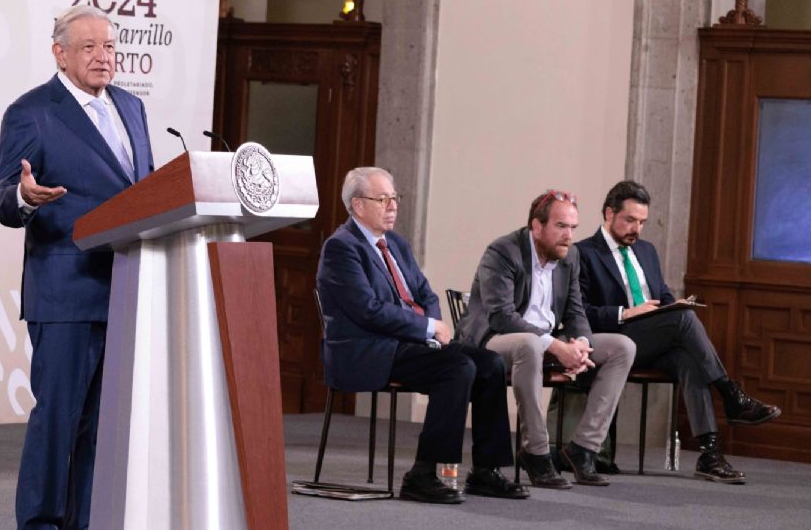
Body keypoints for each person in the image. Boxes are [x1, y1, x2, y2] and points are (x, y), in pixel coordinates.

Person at [0, 5, 154, 529]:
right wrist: (25, 195)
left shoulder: (132, 106)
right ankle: (39, 524)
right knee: (58, 424)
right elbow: (1, 201)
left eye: (109, 46)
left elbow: (143, 191)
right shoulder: (32, 111)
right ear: (60, 53)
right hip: (66, 291)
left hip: (129, 289)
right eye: (89, 48)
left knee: (102, 430)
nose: (103, 57)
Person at [316, 167, 527, 504]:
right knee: (457, 368)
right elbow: (367, 310)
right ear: (357, 205)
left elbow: (425, 294)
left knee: (489, 364)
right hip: (370, 348)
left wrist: (433, 329)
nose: (392, 206)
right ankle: (422, 474)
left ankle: (486, 471)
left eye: (394, 198)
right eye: (382, 199)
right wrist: (427, 328)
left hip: (409, 342)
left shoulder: (396, 243)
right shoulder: (342, 248)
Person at [575, 180, 781, 484]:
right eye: (630, 220)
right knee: (684, 320)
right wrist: (625, 312)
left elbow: (664, 298)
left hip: (653, 338)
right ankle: (730, 394)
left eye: (642, 222)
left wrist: (673, 307)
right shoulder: (584, 253)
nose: (637, 229)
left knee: (688, 358)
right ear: (609, 213)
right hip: (615, 339)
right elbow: (579, 311)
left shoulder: (646, 251)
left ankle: (710, 454)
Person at [455, 190, 636, 489]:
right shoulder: (502, 252)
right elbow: (501, 317)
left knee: (622, 347)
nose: (568, 236)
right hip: (494, 340)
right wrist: (555, 346)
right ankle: (535, 451)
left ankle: (584, 448)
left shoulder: (570, 256)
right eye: (561, 227)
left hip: (547, 341)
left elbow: (576, 311)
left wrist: (580, 344)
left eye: (573, 228)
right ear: (536, 227)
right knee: (528, 343)